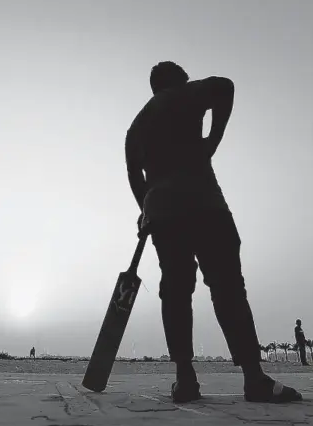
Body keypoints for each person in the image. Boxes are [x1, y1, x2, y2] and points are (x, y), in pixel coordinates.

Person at [125, 61, 302, 403]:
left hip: (163, 212)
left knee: (175, 290)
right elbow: (225, 86)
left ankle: (185, 380)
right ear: (177, 80)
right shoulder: (184, 93)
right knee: (228, 287)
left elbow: (135, 175)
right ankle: (254, 377)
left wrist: (145, 209)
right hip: (205, 205)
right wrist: (214, 138)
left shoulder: (137, 126)